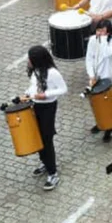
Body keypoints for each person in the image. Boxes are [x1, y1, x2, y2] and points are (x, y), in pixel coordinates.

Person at [24, 45, 67, 190]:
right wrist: (28, 93)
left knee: (47, 139)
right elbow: (33, 86)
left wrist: (46, 95)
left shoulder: (52, 73)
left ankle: (53, 173)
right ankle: (44, 162)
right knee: (38, 137)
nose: (28, 61)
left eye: (30, 58)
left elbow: (63, 89)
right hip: (35, 105)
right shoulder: (35, 71)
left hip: (48, 107)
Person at [85, 19, 112, 141]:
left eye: (103, 31)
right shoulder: (92, 40)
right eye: (98, 30)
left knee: (108, 104)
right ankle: (100, 123)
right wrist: (91, 75)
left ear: (108, 32)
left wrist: (103, 40)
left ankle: (110, 129)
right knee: (96, 104)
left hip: (108, 78)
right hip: (96, 77)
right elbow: (89, 58)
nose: (99, 33)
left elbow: (107, 53)